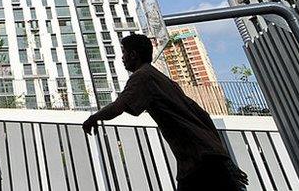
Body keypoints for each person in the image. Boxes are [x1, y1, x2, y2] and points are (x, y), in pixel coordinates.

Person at [81, 34, 248, 191]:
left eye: (124, 53)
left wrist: (93, 118)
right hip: (206, 156)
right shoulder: (164, 80)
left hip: (198, 160)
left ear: (133, 55)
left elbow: (119, 106)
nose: (122, 58)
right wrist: (224, 155)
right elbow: (203, 116)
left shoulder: (142, 77)